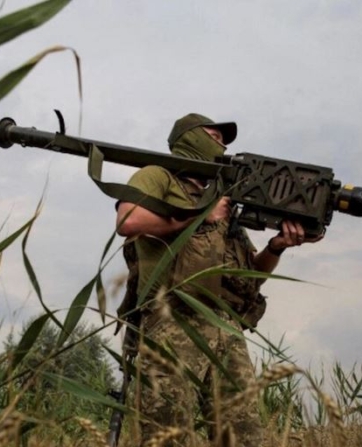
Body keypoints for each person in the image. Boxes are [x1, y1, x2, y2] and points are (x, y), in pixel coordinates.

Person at [115, 113, 321, 446]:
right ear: (187, 140)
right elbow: (128, 220)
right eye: (213, 136)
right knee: (168, 435)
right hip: (172, 320)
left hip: (225, 329)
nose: (222, 144)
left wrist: (277, 246)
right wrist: (199, 216)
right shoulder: (159, 176)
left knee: (244, 437)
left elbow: (249, 277)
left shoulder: (225, 202)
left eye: (223, 139)